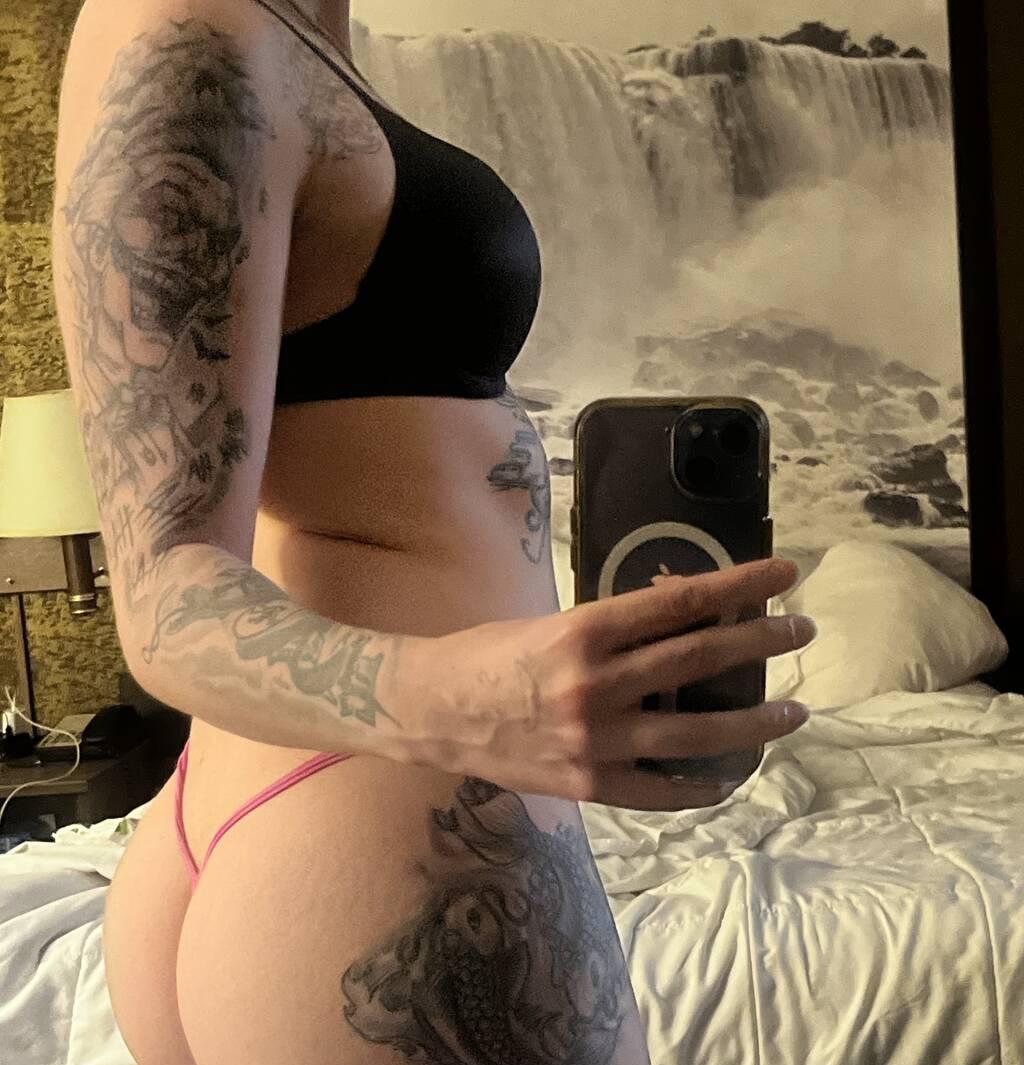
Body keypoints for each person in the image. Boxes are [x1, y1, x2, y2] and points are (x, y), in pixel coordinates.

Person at [51, 1, 816, 1062]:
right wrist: (479, 707)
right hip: (385, 820)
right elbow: (162, 596)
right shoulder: (189, 22)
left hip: (346, 805)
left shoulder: (293, 36)